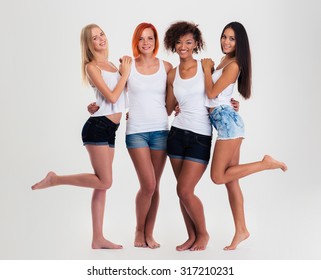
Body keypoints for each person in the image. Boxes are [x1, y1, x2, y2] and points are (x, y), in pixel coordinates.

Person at [31, 24, 132, 249]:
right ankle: (55, 179)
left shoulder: (113, 65)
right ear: (89, 44)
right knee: (105, 180)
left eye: (102, 34)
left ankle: (98, 238)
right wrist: (125, 74)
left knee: (101, 184)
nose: (100, 39)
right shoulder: (92, 67)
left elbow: (120, 98)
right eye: (95, 38)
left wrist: (99, 102)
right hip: (97, 128)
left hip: (110, 129)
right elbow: (114, 97)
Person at [201, 21, 287, 250]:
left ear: (240, 43)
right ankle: (241, 230)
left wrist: (206, 70)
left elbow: (210, 92)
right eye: (224, 37)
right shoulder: (224, 61)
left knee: (218, 177)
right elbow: (216, 95)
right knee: (231, 182)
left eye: (232, 39)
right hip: (227, 121)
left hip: (228, 125)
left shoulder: (233, 65)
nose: (226, 42)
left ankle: (264, 164)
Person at [88, 23, 173, 249]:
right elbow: (111, 94)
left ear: (155, 42)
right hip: (136, 132)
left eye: (150, 38)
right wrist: (96, 106)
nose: (146, 43)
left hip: (161, 131)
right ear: (136, 41)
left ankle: (149, 233)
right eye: (141, 39)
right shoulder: (126, 67)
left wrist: (224, 104)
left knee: (155, 186)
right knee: (147, 185)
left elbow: (175, 99)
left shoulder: (167, 67)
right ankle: (138, 230)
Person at [164, 21, 212, 251]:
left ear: (196, 44)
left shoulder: (206, 67)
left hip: (200, 136)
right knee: (182, 191)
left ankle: (203, 234)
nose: (183, 46)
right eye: (179, 42)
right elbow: (167, 107)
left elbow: (218, 93)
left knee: (184, 189)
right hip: (176, 134)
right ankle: (191, 236)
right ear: (174, 44)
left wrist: (232, 106)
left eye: (188, 42)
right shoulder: (172, 74)